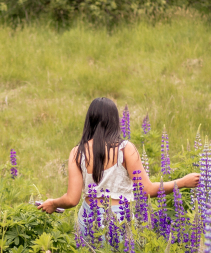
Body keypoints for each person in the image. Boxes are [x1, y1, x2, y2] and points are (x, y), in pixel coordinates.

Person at [36, 97, 199, 228]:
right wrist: (182, 182)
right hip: (120, 218)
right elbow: (147, 190)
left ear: (89, 120)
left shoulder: (77, 152)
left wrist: (53, 203)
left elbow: (72, 199)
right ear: (115, 120)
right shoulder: (125, 149)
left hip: (88, 218)